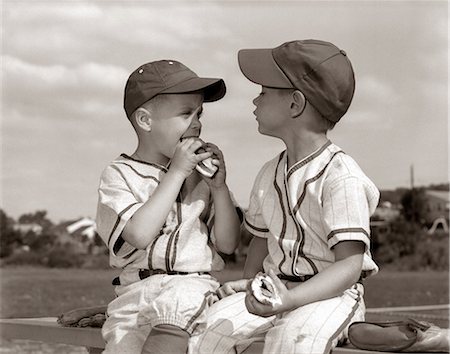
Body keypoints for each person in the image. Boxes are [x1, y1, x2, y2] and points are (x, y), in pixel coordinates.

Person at [193, 39, 380, 354]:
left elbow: (349, 265)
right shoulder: (269, 172)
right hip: (274, 288)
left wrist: (290, 299)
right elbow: (259, 241)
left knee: (292, 343)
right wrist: (251, 286)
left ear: (295, 104)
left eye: (264, 92)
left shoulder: (341, 175)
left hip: (329, 297)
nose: (255, 101)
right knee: (206, 332)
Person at [95, 59, 241, 353]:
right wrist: (176, 174)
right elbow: (137, 234)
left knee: (178, 307)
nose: (197, 123)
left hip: (190, 288)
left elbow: (227, 243)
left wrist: (219, 188)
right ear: (145, 121)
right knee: (122, 346)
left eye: (199, 113)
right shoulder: (119, 174)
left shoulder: (203, 177)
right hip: (134, 295)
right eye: (186, 113)